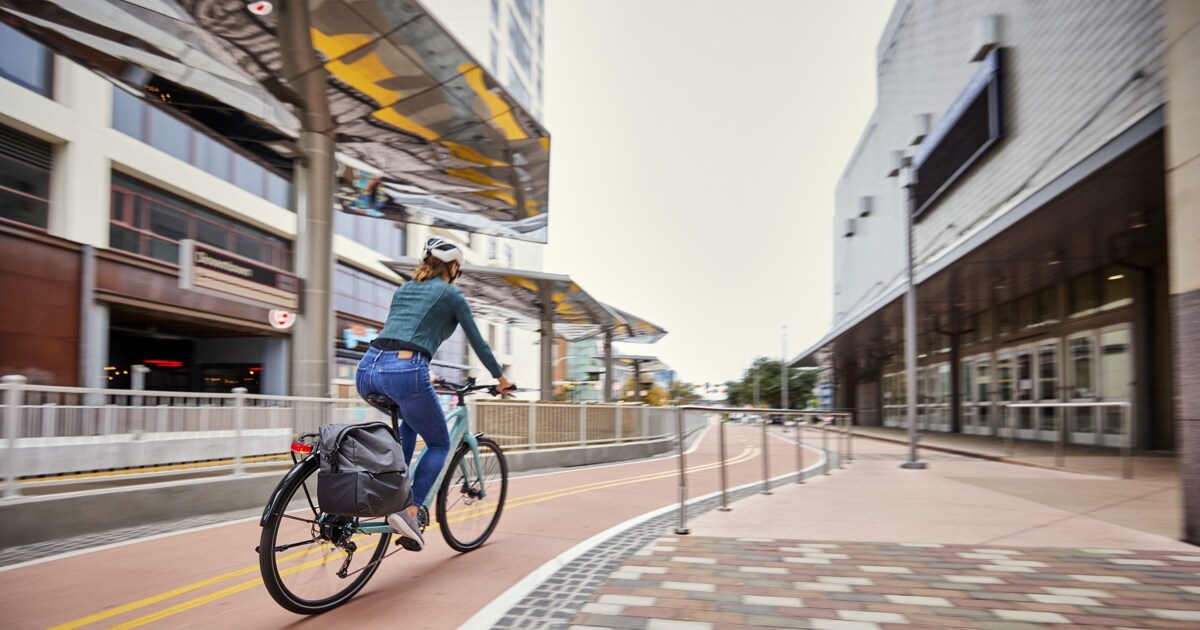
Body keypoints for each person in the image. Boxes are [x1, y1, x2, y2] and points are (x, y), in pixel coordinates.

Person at [356, 237, 513, 550]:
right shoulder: (451, 293)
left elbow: (401, 332)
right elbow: (478, 343)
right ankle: (410, 511)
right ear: (453, 267)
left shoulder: (403, 288)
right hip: (405, 370)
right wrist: (501, 378)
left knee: (411, 422)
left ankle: (393, 491)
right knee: (440, 442)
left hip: (367, 368)